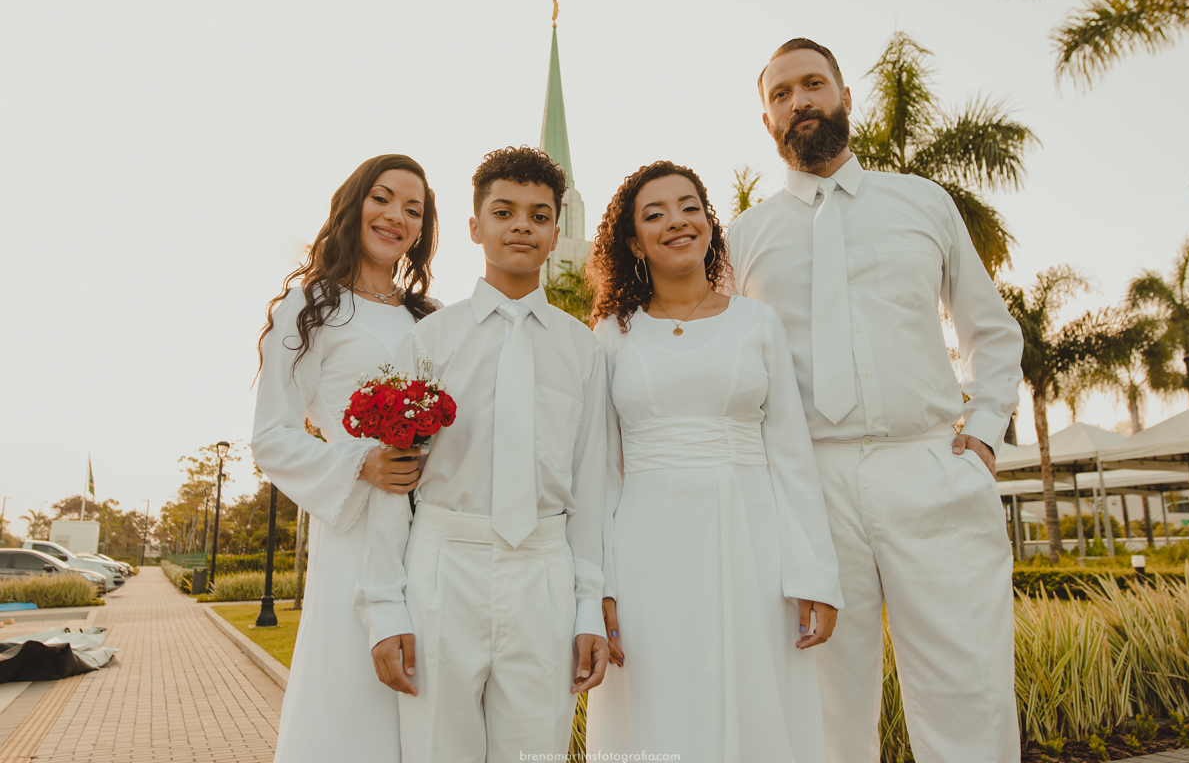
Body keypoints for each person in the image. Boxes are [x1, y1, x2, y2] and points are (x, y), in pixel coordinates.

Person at [727, 38, 1025, 762]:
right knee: (823, 703)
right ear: (767, 121)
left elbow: (991, 328)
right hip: (808, 488)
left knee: (969, 688)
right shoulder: (742, 238)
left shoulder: (923, 202)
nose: (799, 101)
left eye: (813, 84)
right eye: (781, 94)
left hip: (927, 466)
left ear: (844, 97)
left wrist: (982, 436)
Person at [354, 146, 609, 763]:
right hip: (444, 567)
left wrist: (589, 607)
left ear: (556, 232)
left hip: (544, 570)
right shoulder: (430, 339)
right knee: (437, 747)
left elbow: (594, 483)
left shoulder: (583, 350)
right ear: (475, 226)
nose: (521, 224)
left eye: (539, 215)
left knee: (537, 751)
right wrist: (385, 607)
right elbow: (393, 482)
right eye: (504, 211)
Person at [583, 161, 843, 762]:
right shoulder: (612, 334)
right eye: (655, 214)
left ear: (708, 222)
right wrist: (599, 584)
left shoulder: (758, 322)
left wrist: (814, 575)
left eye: (689, 206)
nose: (677, 221)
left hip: (751, 543)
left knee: (754, 701)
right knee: (660, 704)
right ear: (633, 242)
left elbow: (791, 454)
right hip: (645, 548)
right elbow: (600, 469)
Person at [252, 154, 440, 763]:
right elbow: (271, 435)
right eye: (383, 199)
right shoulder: (312, 306)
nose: (396, 217)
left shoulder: (430, 319)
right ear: (354, 203)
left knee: (429, 698)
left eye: (413, 209)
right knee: (351, 703)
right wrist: (361, 463)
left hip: (434, 533)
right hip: (355, 530)